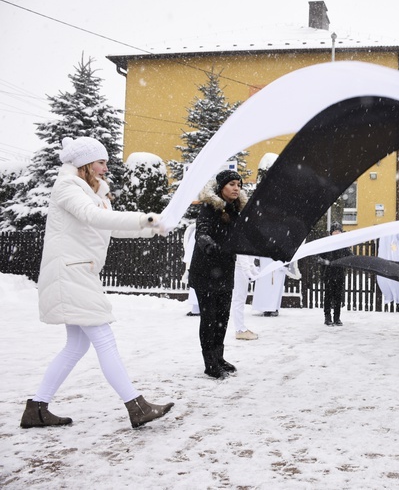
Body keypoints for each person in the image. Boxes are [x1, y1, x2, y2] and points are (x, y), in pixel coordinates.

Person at [21, 136, 174, 429]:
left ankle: (37, 409)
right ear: (86, 164)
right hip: (71, 273)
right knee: (104, 339)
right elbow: (93, 218)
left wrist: (151, 230)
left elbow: (110, 228)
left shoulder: (94, 194)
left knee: (76, 346)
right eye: (101, 162)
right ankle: (136, 406)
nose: (106, 168)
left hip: (79, 272)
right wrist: (145, 218)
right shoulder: (67, 187)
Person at [189, 169, 248, 380]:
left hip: (225, 271)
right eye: (232, 184)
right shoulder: (208, 208)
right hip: (205, 272)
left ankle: (218, 357)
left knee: (223, 317)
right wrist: (211, 246)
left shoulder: (236, 211)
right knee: (210, 318)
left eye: (239, 185)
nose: (236, 188)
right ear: (222, 186)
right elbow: (201, 233)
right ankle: (209, 363)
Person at [319, 222, 353, 326]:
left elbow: (351, 256)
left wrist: (347, 261)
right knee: (328, 296)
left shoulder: (344, 245)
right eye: (335, 231)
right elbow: (318, 257)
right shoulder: (326, 244)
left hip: (339, 274)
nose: (337, 233)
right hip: (328, 273)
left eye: (339, 231)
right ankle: (327, 317)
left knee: (338, 296)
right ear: (331, 233)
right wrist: (324, 262)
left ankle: (337, 317)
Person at [230, 255, 260, 340]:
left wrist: (252, 268)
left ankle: (241, 328)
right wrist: (248, 271)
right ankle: (240, 330)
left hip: (241, 268)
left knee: (240, 299)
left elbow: (248, 255)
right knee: (238, 299)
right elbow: (242, 254)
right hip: (239, 269)